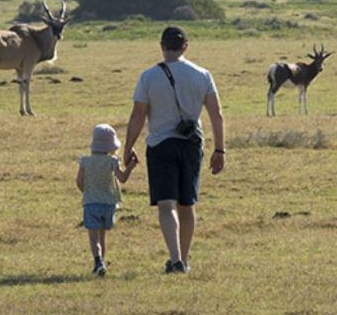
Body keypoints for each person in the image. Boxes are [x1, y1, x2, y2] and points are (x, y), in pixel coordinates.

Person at [123, 25, 226, 274]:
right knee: (187, 204)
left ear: (162, 46)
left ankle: (175, 258)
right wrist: (220, 149)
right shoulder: (202, 74)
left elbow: (138, 115)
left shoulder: (148, 76)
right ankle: (185, 259)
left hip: (160, 145)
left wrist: (127, 148)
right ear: (185, 46)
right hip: (192, 145)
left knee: (166, 204)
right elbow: (216, 114)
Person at [75, 123, 138, 276]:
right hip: (108, 204)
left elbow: (79, 181)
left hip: (91, 203)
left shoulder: (85, 161)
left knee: (93, 237)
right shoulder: (112, 162)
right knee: (102, 236)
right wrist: (131, 166)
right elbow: (122, 178)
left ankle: (98, 261)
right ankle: (101, 263)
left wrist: (88, 192)